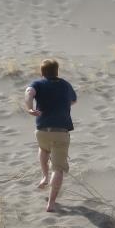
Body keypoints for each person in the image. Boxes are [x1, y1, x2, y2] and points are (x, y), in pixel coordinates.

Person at [24, 58, 77, 212]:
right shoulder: (65, 84)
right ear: (57, 71)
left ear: (42, 72)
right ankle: (51, 203)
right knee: (58, 169)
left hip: (41, 131)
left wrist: (30, 108)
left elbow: (29, 92)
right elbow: (73, 101)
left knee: (43, 149)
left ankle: (45, 176)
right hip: (60, 132)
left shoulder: (38, 84)